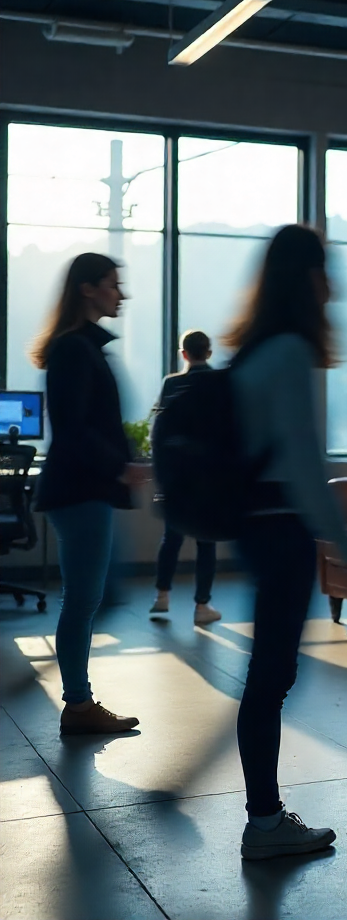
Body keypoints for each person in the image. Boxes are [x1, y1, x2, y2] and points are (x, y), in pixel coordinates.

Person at [224, 224, 347, 861]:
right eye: (325, 269)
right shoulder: (289, 352)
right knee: (271, 677)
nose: (333, 284)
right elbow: (304, 462)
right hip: (282, 529)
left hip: (258, 524)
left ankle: (265, 817)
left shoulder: (256, 349)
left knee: (269, 675)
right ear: (307, 278)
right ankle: (265, 822)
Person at [31, 253, 148, 736]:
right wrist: (120, 466)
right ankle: (78, 706)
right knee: (82, 601)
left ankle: (79, 703)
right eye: (113, 284)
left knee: (86, 598)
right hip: (80, 491)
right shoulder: (74, 349)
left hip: (84, 490)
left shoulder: (81, 347)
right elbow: (74, 429)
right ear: (87, 288)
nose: (122, 294)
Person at [150, 329, 221, 625]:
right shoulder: (220, 382)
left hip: (177, 476)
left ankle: (162, 596)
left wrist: (161, 473)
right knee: (206, 541)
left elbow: (159, 431)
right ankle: (202, 606)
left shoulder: (172, 383)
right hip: (208, 476)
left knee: (172, 537)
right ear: (209, 352)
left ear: (183, 353)